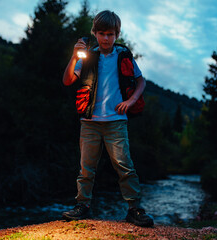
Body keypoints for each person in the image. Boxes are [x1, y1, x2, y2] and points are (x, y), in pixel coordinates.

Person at [62, 10, 153, 227]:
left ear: (117, 34)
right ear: (95, 33)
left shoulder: (124, 55)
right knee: (86, 168)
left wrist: (131, 102)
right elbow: (67, 80)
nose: (106, 38)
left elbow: (141, 82)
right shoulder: (88, 56)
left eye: (110, 34)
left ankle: (134, 209)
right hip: (90, 122)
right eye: (101, 33)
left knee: (124, 165)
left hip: (116, 121)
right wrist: (75, 55)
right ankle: (82, 205)